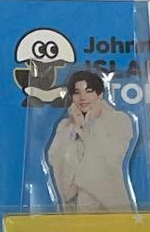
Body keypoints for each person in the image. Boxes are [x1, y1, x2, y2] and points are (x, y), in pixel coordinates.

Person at [46, 70, 135, 211]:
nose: (82, 97)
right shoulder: (65, 126)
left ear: (99, 94)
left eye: (88, 91)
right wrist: (76, 128)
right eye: (77, 93)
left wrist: (88, 125)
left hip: (110, 202)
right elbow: (55, 157)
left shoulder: (118, 120)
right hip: (74, 207)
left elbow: (111, 155)